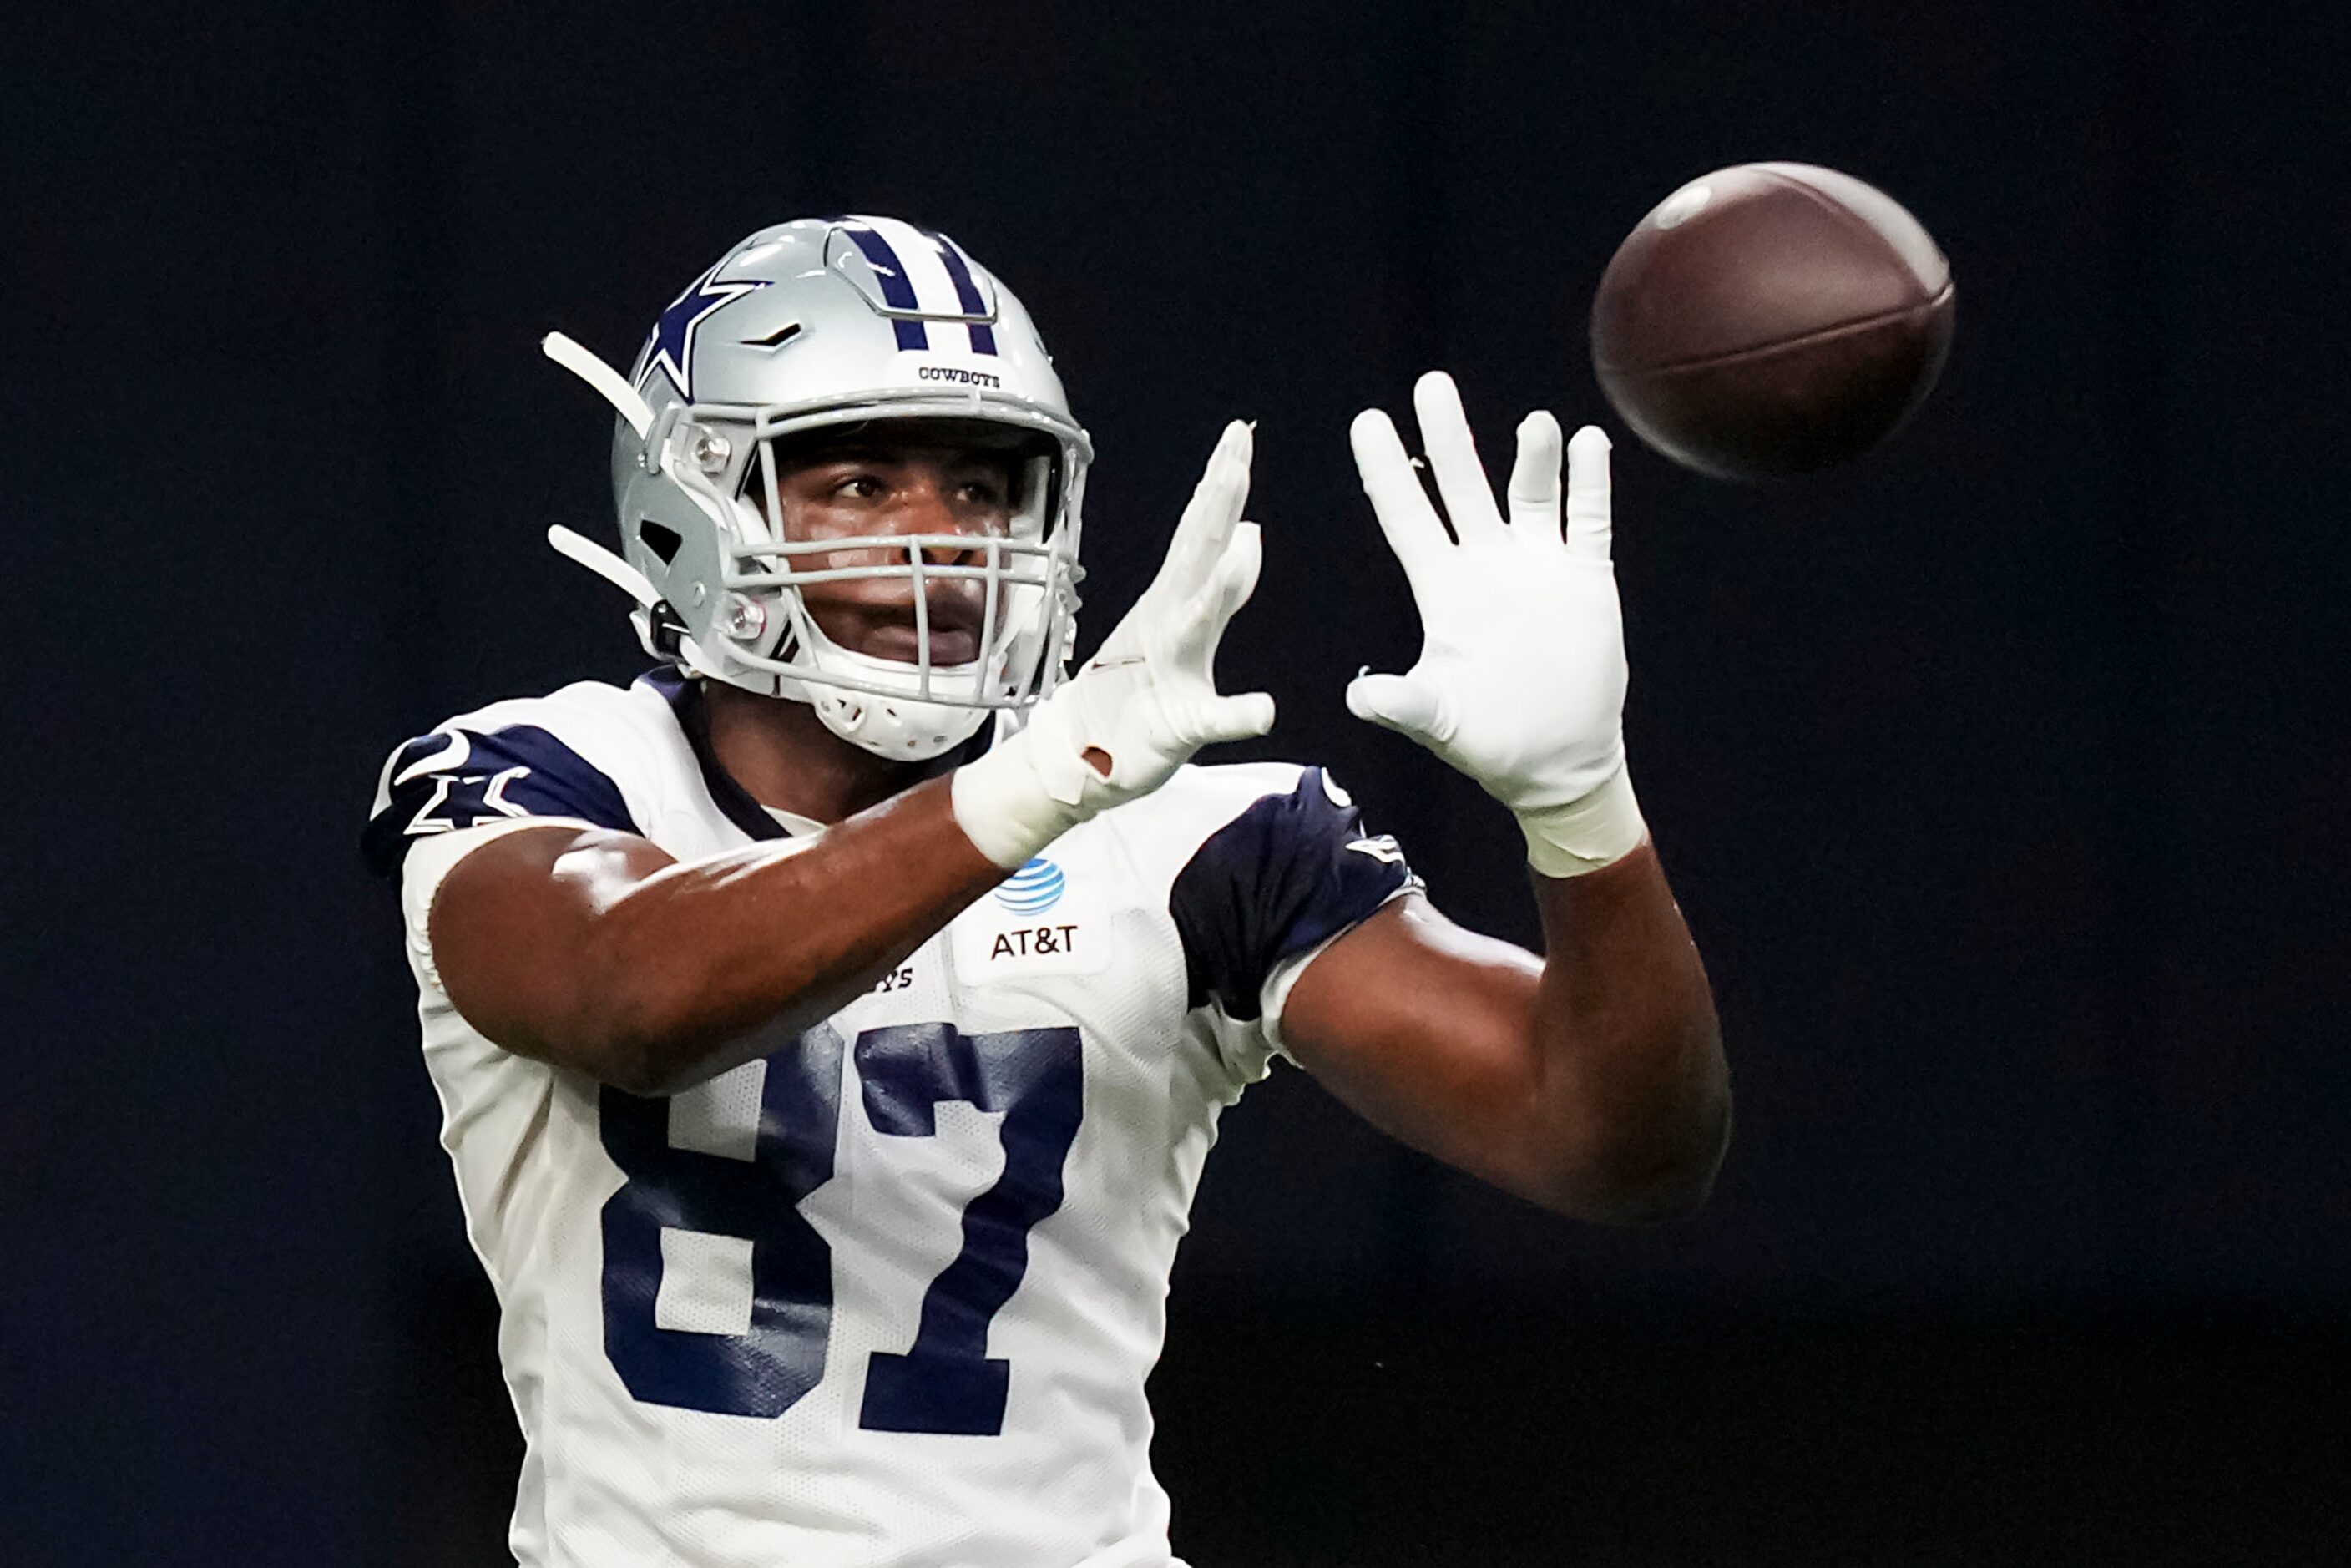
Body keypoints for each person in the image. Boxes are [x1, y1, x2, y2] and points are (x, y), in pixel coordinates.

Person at [364, 214, 1729, 1568]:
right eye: (856, 484)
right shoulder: (549, 775)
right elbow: (631, 996)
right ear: (693, 505)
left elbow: (1616, 1145)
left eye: (981, 487)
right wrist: (1036, 785)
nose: (940, 536)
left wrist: (1581, 807)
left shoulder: (1200, 836)